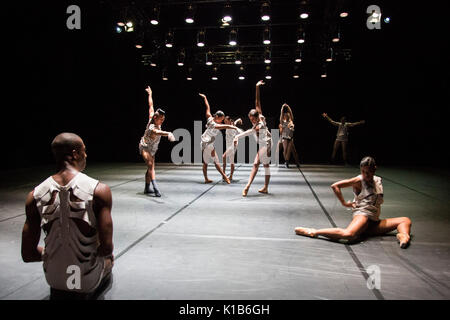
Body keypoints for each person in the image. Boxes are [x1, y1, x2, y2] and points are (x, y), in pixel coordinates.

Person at [21, 132, 114, 299]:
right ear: (75, 154)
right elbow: (106, 248)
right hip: (85, 281)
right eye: (84, 150)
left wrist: (51, 254)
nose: (86, 155)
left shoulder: (34, 195)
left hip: (54, 280)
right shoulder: (99, 190)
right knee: (110, 260)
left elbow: (27, 254)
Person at [294, 156, 412, 249]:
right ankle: (314, 231)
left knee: (405, 220)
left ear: (375, 169)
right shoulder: (359, 180)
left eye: (369, 172)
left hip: (374, 221)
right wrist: (345, 203)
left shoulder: (378, 180)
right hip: (363, 215)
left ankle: (403, 236)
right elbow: (335, 186)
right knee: (349, 235)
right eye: (363, 171)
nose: (366, 175)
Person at [233, 80, 272, 196]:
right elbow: (257, 101)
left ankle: (247, 186)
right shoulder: (258, 114)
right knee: (265, 165)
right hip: (263, 143)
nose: (251, 120)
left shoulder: (260, 124)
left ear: (256, 117)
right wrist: (257, 87)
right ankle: (265, 187)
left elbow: (249, 132)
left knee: (256, 163)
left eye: (252, 119)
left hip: (267, 144)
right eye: (250, 119)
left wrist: (237, 137)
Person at [139, 85, 175, 197]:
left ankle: (146, 188)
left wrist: (150, 94)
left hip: (153, 149)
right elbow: (158, 132)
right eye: (161, 119)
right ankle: (155, 188)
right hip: (145, 147)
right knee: (151, 166)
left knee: (149, 168)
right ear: (156, 118)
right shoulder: (152, 127)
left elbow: (151, 105)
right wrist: (168, 133)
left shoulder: (152, 115)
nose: (162, 121)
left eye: (163, 119)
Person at [199, 93, 238, 184]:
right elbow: (220, 127)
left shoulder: (209, 117)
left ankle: (206, 179)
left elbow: (207, 107)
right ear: (217, 117)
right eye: (221, 119)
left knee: (205, 162)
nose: (222, 121)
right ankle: (225, 176)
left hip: (204, 143)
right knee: (216, 161)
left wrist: (205, 98)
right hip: (207, 143)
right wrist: (232, 127)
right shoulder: (213, 123)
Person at [278, 103, 300, 168]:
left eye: (287, 115)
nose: (286, 116)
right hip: (284, 137)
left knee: (293, 151)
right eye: (285, 115)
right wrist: (282, 107)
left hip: (290, 138)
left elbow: (291, 113)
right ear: (284, 117)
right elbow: (281, 114)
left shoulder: (291, 121)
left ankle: (297, 162)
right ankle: (286, 162)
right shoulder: (282, 122)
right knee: (285, 150)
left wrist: (288, 107)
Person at [222, 116, 243, 180]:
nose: (225, 122)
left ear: (229, 121)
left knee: (224, 156)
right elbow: (235, 121)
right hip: (228, 145)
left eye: (226, 121)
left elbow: (241, 132)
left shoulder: (233, 127)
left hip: (232, 145)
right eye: (224, 121)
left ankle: (223, 173)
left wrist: (236, 138)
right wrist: (239, 119)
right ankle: (230, 176)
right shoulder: (230, 124)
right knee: (231, 161)